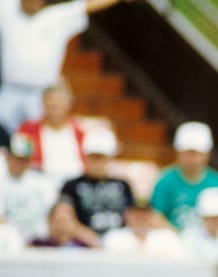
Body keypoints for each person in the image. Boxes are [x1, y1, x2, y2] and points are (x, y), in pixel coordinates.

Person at [0, 0, 134, 139]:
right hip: (10, 91)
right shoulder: (7, 9)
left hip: (42, 95)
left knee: (42, 138)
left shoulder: (57, 16)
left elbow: (87, 5)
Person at [149, 121, 218, 232]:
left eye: (197, 153)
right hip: (173, 241)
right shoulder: (165, 180)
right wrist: (178, 238)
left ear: (207, 154)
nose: (193, 159)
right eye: (188, 153)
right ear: (178, 152)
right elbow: (154, 215)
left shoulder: (217, 182)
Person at [59, 126, 134, 242]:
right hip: (82, 241)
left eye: (101, 158)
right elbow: (62, 216)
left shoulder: (123, 185)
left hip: (119, 240)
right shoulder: (71, 186)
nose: (97, 163)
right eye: (93, 157)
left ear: (109, 158)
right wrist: (83, 233)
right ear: (86, 157)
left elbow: (133, 215)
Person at [15, 82, 87, 187]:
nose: (54, 106)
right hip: (39, 185)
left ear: (69, 103)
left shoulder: (82, 131)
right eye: (50, 102)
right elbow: (17, 162)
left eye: (58, 102)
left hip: (75, 186)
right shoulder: (27, 130)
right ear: (42, 104)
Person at [0, 131, 59, 243]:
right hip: (6, 239)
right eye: (16, 158)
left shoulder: (42, 182)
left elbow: (52, 212)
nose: (19, 163)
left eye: (24, 159)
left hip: (39, 239)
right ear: (8, 157)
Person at [102, 199, 190, 259]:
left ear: (152, 215)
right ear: (127, 215)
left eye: (144, 214)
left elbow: (183, 262)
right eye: (136, 214)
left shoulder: (167, 237)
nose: (140, 218)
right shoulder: (114, 237)